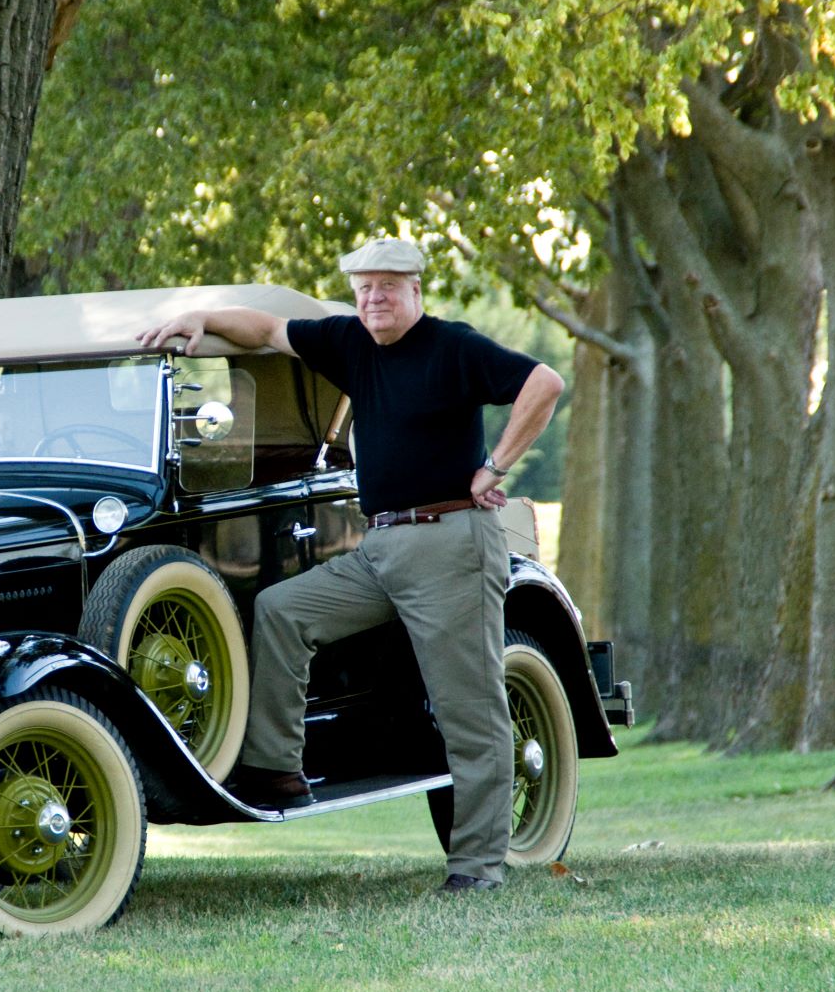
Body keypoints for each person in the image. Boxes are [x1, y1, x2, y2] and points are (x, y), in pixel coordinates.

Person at [137, 238, 564, 892]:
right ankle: (277, 769)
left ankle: (476, 869)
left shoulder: (454, 346)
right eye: (363, 287)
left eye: (387, 287)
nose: (373, 298)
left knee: (468, 710)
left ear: (415, 289)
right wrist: (203, 320)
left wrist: (496, 465)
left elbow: (544, 383)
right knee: (280, 610)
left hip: (451, 543)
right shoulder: (348, 342)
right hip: (381, 547)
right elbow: (269, 330)